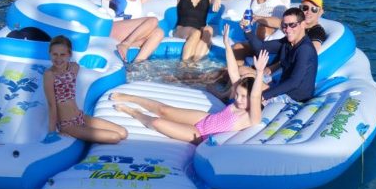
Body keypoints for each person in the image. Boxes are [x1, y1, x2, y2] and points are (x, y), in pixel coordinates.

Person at [112, 40, 268, 143]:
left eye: (243, 97)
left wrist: (260, 72)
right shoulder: (239, 101)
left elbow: (254, 96)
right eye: (238, 95)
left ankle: (135, 113)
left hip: (199, 134)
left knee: (156, 122)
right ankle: (131, 97)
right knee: (164, 110)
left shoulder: (252, 117)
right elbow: (234, 71)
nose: (238, 99)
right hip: (205, 119)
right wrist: (227, 44)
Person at [43, 35, 128, 143]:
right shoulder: (49, 75)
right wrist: (52, 132)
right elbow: (51, 104)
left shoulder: (73, 67)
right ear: (50, 54)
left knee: (123, 132)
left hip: (80, 116)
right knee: (114, 138)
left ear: (69, 55)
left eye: (62, 54)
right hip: (67, 124)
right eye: (55, 54)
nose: (58, 58)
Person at [247, 7, 318, 104]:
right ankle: (226, 98)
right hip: (282, 86)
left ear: (303, 25)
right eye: (285, 25)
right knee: (243, 71)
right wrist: (247, 30)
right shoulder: (287, 42)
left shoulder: (305, 49)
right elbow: (260, 47)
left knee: (252, 92)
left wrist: (264, 95)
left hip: (294, 97)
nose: (288, 30)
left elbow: (294, 82)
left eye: (292, 25)